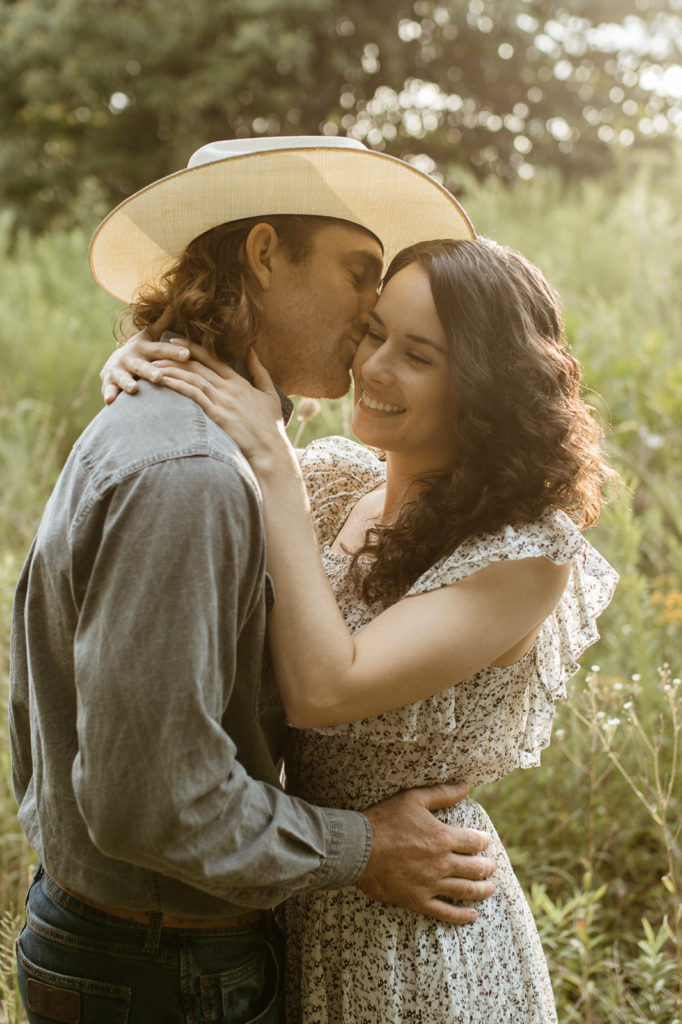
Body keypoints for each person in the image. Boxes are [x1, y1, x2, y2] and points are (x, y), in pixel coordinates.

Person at [9, 138, 498, 1024]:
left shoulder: (193, 429)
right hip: (163, 971)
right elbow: (152, 803)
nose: (371, 311)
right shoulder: (190, 472)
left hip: (146, 950)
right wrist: (364, 847)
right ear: (265, 254)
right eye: (358, 274)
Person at [102, 235, 619, 1022]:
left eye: (417, 355)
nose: (373, 367)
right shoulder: (338, 484)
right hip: (310, 886)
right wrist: (149, 364)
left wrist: (275, 463)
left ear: (484, 386)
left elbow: (323, 688)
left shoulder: (523, 555)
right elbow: (197, 435)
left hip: (420, 931)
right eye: (374, 332)